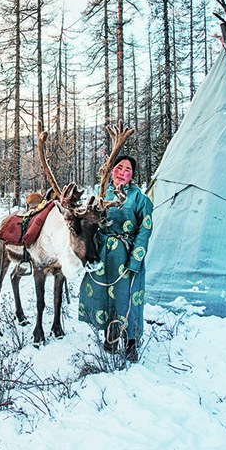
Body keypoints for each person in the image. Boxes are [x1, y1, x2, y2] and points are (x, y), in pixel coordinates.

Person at [78, 155, 153, 362]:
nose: (122, 172)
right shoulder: (99, 193)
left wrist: (135, 260)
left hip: (125, 255)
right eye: (119, 167)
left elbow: (145, 230)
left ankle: (130, 343)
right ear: (111, 170)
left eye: (127, 170)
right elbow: (89, 223)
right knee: (104, 295)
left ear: (132, 176)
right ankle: (110, 337)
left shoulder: (139, 198)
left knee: (127, 297)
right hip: (102, 254)